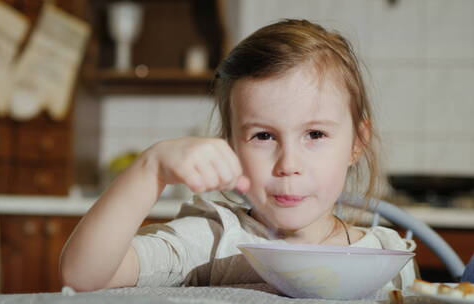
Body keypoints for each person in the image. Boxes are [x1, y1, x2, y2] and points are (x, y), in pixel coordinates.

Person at [60, 19, 416, 292]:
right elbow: (84, 275)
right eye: (263, 136)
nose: (288, 165)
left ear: (357, 142)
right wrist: (150, 168)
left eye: (315, 134)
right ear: (230, 145)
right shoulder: (213, 241)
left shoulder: (389, 257)